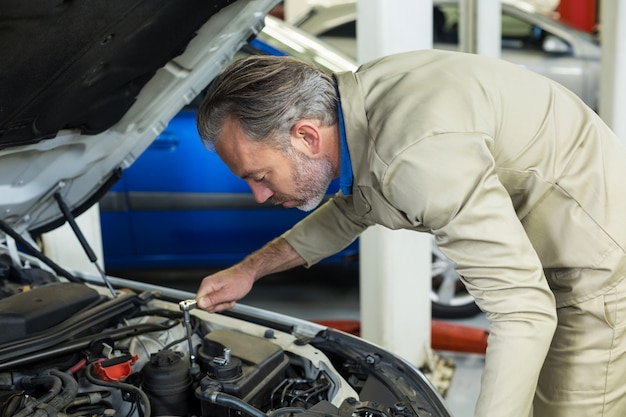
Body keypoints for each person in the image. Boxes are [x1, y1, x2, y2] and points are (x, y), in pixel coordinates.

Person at [194, 50, 626, 417]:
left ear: (306, 136)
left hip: (593, 266)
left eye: (261, 175)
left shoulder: (414, 155)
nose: (258, 195)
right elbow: (351, 211)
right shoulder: (356, 112)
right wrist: (249, 271)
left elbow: (522, 312)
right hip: (554, 240)